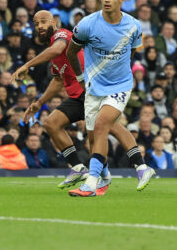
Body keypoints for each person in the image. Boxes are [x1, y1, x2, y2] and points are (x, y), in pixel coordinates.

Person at [14, 10, 144, 189]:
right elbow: (58, 80)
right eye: (36, 24)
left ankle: (139, 166)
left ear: (54, 22)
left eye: (44, 21)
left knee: (109, 127)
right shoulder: (53, 51)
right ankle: (79, 168)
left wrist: (27, 64)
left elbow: (57, 49)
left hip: (91, 90)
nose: (40, 26)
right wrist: (39, 102)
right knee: (52, 123)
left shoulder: (62, 35)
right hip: (77, 96)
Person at [66, 0, 155, 197]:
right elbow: (70, 52)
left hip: (120, 85)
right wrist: (79, 77)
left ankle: (91, 183)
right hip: (93, 87)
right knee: (93, 138)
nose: (106, 0)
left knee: (103, 125)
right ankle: (119, 172)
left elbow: (131, 52)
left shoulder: (133, 26)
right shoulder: (87, 24)